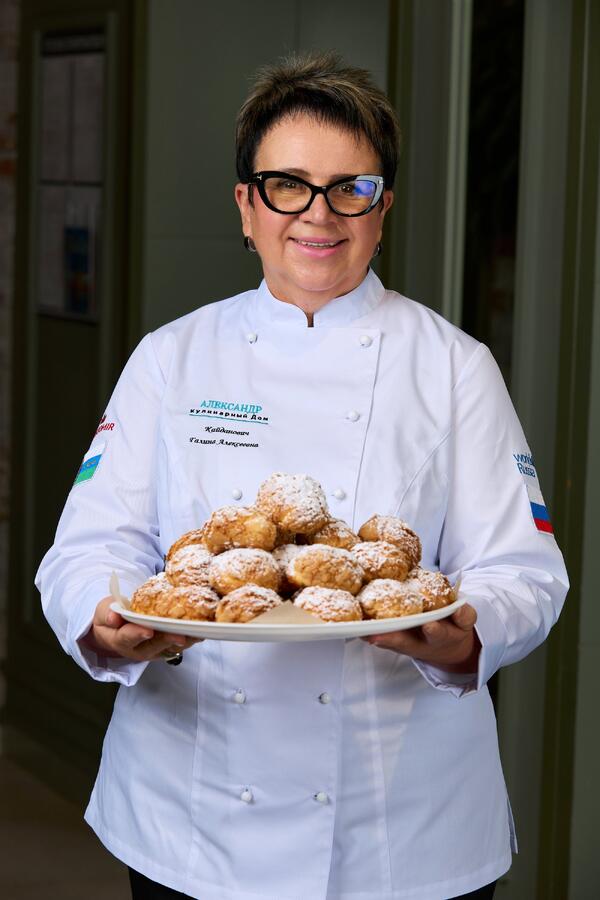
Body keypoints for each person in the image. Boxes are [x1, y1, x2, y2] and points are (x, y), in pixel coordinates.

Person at [36, 52, 568, 900]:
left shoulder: (454, 367)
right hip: (192, 813)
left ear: (383, 209)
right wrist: (104, 625)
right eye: (287, 185)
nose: (319, 213)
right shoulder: (171, 358)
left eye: (351, 188)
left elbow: (525, 570)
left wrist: (467, 635)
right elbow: (86, 549)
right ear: (246, 206)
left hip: (404, 824)